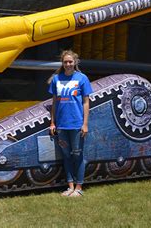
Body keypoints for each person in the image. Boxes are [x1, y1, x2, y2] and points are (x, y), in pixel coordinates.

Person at [48, 50, 92, 197]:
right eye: (65, 62)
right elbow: (54, 102)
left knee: (78, 156)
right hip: (62, 126)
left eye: (70, 62)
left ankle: (79, 187)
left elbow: (86, 103)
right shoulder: (56, 79)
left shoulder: (82, 78)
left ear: (75, 63)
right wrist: (53, 123)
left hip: (76, 125)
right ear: (62, 63)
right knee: (66, 156)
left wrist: (85, 124)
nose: (68, 64)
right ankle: (70, 186)